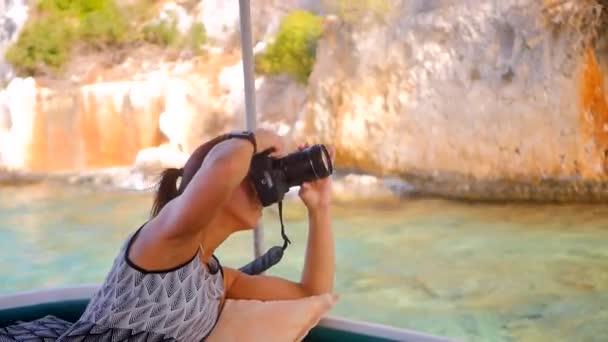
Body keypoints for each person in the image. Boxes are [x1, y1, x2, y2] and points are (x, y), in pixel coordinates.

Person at [58, 129, 335, 341]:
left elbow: (310, 293)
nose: (263, 186)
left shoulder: (217, 281)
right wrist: (259, 137)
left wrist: (320, 209)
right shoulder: (164, 241)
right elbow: (224, 167)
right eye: (255, 170)